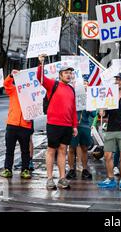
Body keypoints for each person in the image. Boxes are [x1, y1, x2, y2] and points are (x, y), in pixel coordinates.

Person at [37, 55, 78, 190]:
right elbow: (40, 78)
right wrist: (41, 63)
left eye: (70, 73)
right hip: (54, 124)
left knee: (63, 151)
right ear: (60, 75)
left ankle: (62, 178)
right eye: (66, 73)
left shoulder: (71, 89)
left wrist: (74, 125)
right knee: (51, 151)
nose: (69, 75)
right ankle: (49, 179)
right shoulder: (53, 84)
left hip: (67, 126)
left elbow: (73, 109)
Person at [97, 73, 121, 190]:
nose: (117, 82)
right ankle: (110, 178)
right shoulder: (110, 95)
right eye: (116, 80)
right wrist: (102, 113)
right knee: (107, 155)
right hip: (110, 129)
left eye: (120, 80)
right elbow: (105, 114)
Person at [0, 70, 33, 180]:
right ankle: (7, 169)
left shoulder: (31, 92)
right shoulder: (14, 90)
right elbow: (6, 84)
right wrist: (11, 76)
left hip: (25, 125)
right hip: (12, 124)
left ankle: (25, 170)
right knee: (9, 149)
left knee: (25, 150)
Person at [67, 81, 95, 180]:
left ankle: (85, 169)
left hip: (85, 126)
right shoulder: (72, 96)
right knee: (71, 148)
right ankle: (71, 169)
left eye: (86, 85)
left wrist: (92, 109)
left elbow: (94, 114)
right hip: (73, 126)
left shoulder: (90, 99)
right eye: (82, 85)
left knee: (84, 149)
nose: (84, 87)